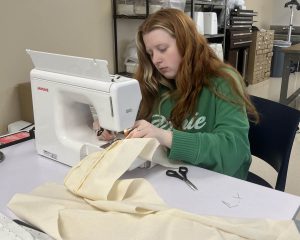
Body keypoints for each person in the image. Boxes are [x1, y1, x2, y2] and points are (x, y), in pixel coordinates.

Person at [97, 8, 258, 180]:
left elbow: (233, 151)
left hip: (218, 182)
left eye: (162, 48)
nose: (156, 60)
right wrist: (109, 122)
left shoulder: (223, 81)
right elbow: (133, 121)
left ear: (186, 43)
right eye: (151, 53)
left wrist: (166, 136)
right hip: (171, 175)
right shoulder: (154, 82)